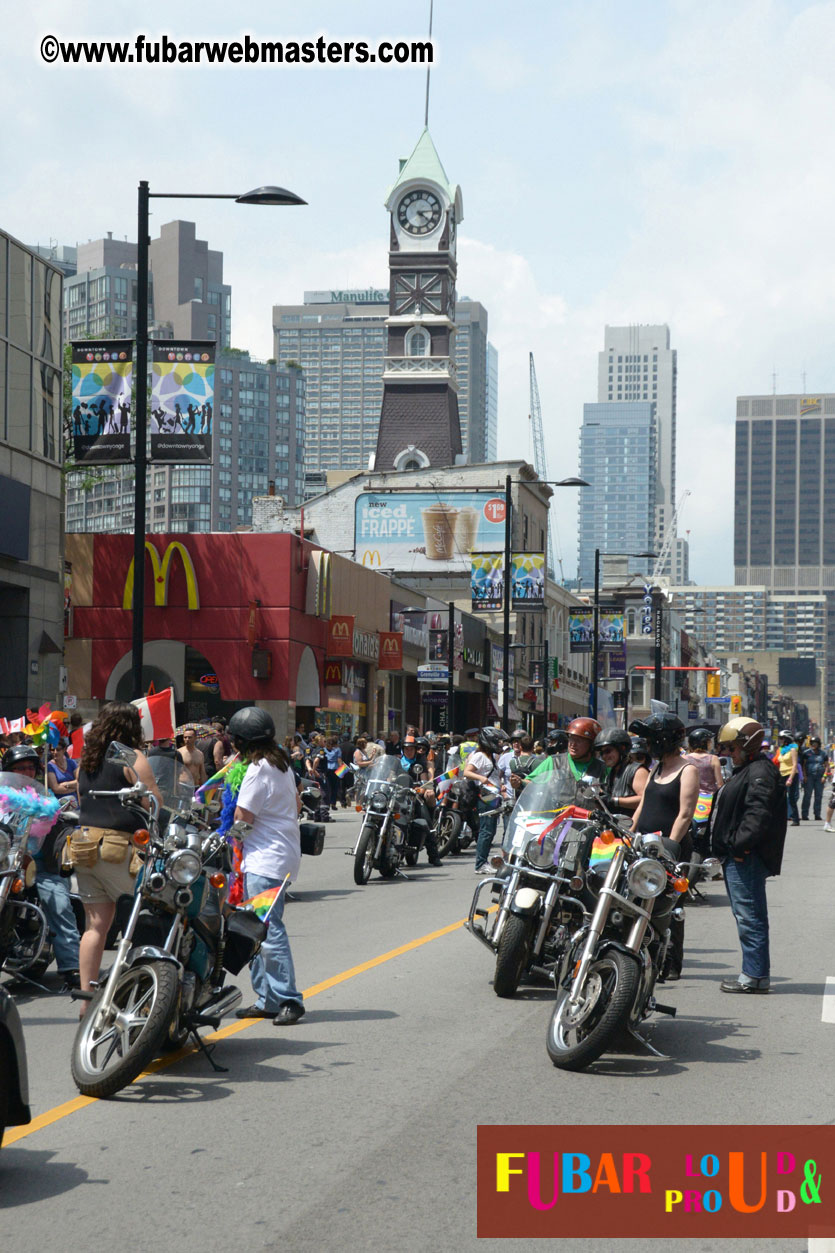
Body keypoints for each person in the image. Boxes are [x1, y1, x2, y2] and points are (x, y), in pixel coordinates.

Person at [75, 702, 163, 1009]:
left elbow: (80, 799)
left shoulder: (86, 759)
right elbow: (153, 802)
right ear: (131, 726)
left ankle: (86, 998)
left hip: (83, 846)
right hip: (117, 848)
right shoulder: (132, 757)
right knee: (142, 921)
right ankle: (137, 995)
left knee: (95, 926)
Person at [231, 707, 305, 1026]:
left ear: (241, 741)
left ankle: (288, 999)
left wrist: (227, 842)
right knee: (256, 930)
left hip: (265, 860)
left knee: (268, 931)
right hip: (282, 855)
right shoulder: (282, 764)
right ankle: (267, 999)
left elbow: (243, 818)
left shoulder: (258, 769)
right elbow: (297, 805)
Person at [711, 717, 787, 993]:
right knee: (747, 915)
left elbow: (758, 815)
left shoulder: (760, 772)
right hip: (737, 856)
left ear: (748, 745)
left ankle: (753, 977)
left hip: (745, 858)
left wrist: (740, 847)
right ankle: (754, 974)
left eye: (732, 748)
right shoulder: (750, 770)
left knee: (750, 917)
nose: (728, 754)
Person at [3, 744, 81, 986]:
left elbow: (60, 816)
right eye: (19, 768)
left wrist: (60, 813)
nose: (26, 772)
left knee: (57, 900)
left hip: (38, 865)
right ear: (9, 770)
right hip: (5, 862)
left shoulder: (44, 798)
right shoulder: (2, 795)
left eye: (30, 767)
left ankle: (73, 967)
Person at [630, 713, 699, 980]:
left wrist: (669, 847)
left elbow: (685, 814)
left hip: (671, 849)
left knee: (668, 907)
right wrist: (629, 834)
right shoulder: (655, 769)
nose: (647, 745)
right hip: (644, 846)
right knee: (639, 899)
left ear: (664, 740)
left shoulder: (687, 769)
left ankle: (670, 963)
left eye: (650, 740)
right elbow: (643, 805)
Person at [464, 726, 504, 874]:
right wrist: (482, 778)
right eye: (496, 741)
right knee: (486, 830)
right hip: (485, 796)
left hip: (493, 795)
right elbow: (467, 772)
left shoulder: (490, 756)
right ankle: (481, 864)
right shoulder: (479, 756)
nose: (499, 744)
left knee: (490, 830)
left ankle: (483, 862)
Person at [398, 735, 442, 865]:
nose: (409, 751)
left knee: (426, 820)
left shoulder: (420, 762)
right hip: (399, 795)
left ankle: (433, 855)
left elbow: (424, 779)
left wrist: (423, 789)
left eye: (411, 749)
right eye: (406, 749)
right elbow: (389, 776)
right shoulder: (398, 762)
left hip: (413, 795)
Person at [596, 727, 648, 818]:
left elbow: (645, 800)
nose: (604, 756)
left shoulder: (637, 771)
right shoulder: (611, 774)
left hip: (635, 829)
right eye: (602, 753)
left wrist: (614, 801)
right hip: (616, 828)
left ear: (622, 749)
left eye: (608, 751)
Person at [800, 736, 828, 822]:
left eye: (815, 743)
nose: (813, 745)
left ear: (818, 744)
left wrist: (824, 776)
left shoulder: (823, 754)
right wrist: (804, 776)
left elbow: (826, 766)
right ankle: (804, 814)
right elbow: (803, 765)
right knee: (807, 796)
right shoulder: (806, 753)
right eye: (812, 743)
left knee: (818, 796)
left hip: (819, 777)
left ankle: (817, 814)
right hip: (809, 777)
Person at [775, 730, 799, 826]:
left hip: (791, 774)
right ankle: (781, 817)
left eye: (781, 738)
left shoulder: (793, 750)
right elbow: (777, 762)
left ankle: (795, 819)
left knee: (792, 798)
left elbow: (795, 765)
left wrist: (790, 779)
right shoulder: (781, 750)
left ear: (787, 739)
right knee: (780, 797)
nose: (780, 740)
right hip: (782, 775)